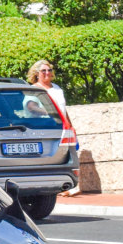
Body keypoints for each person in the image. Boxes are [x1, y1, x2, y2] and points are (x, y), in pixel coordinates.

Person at [27, 59, 80, 196]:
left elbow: (63, 108)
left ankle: (66, 186)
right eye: (43, 71)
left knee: (65, 156)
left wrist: (70, 125)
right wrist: (49, 114)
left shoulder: (56, 88)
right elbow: (31, 107)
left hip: (62, 127)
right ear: (37, 73)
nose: (47, 73)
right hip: (45, 128)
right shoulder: (34, 89)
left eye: (49, 70)